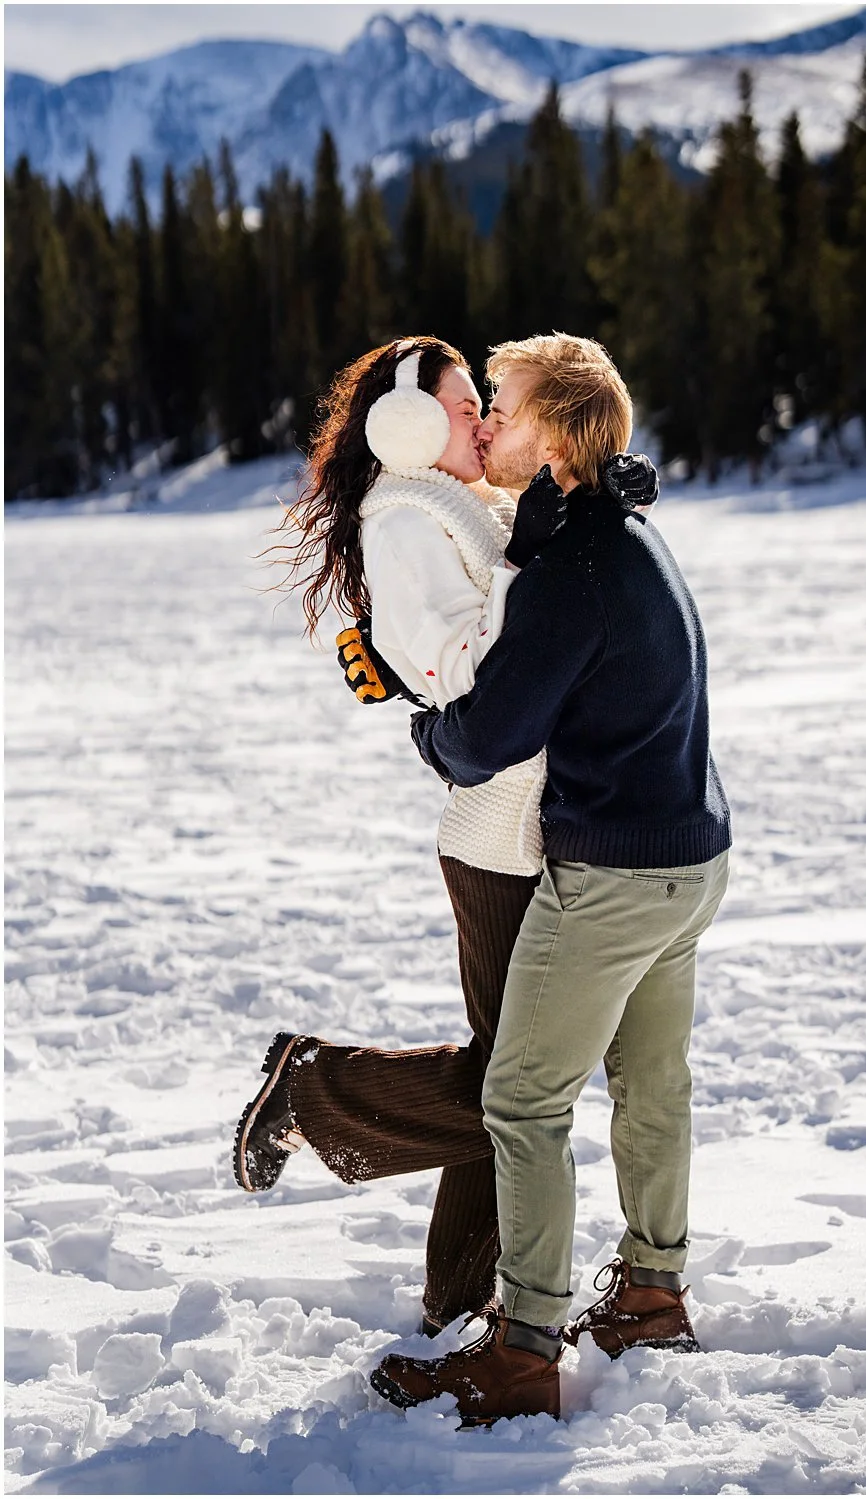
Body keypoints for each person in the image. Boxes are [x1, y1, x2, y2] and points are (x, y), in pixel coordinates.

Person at [369, 334, 733, 1425]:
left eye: (507, 406)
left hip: (613, 873)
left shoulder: (573, 568)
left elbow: (489, 737)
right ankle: (654, 1291)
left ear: (559, 435)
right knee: (652, 1082)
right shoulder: (621, 533)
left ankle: (524, 1349)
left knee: (522, 1100)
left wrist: (427, 729)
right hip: (691, 856)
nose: (489, 423)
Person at [241, 335, 568, 1338]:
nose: (480, 421)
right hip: (497, 835)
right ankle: (315, 1090)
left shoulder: (469, 509)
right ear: (408, 423)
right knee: (515, 1085)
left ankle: (458, 1300)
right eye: (464, 404)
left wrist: (588, 510)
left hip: (531, 823)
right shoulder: (405, 523)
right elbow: (463, 671)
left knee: (510, 1077)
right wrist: (527, 561)